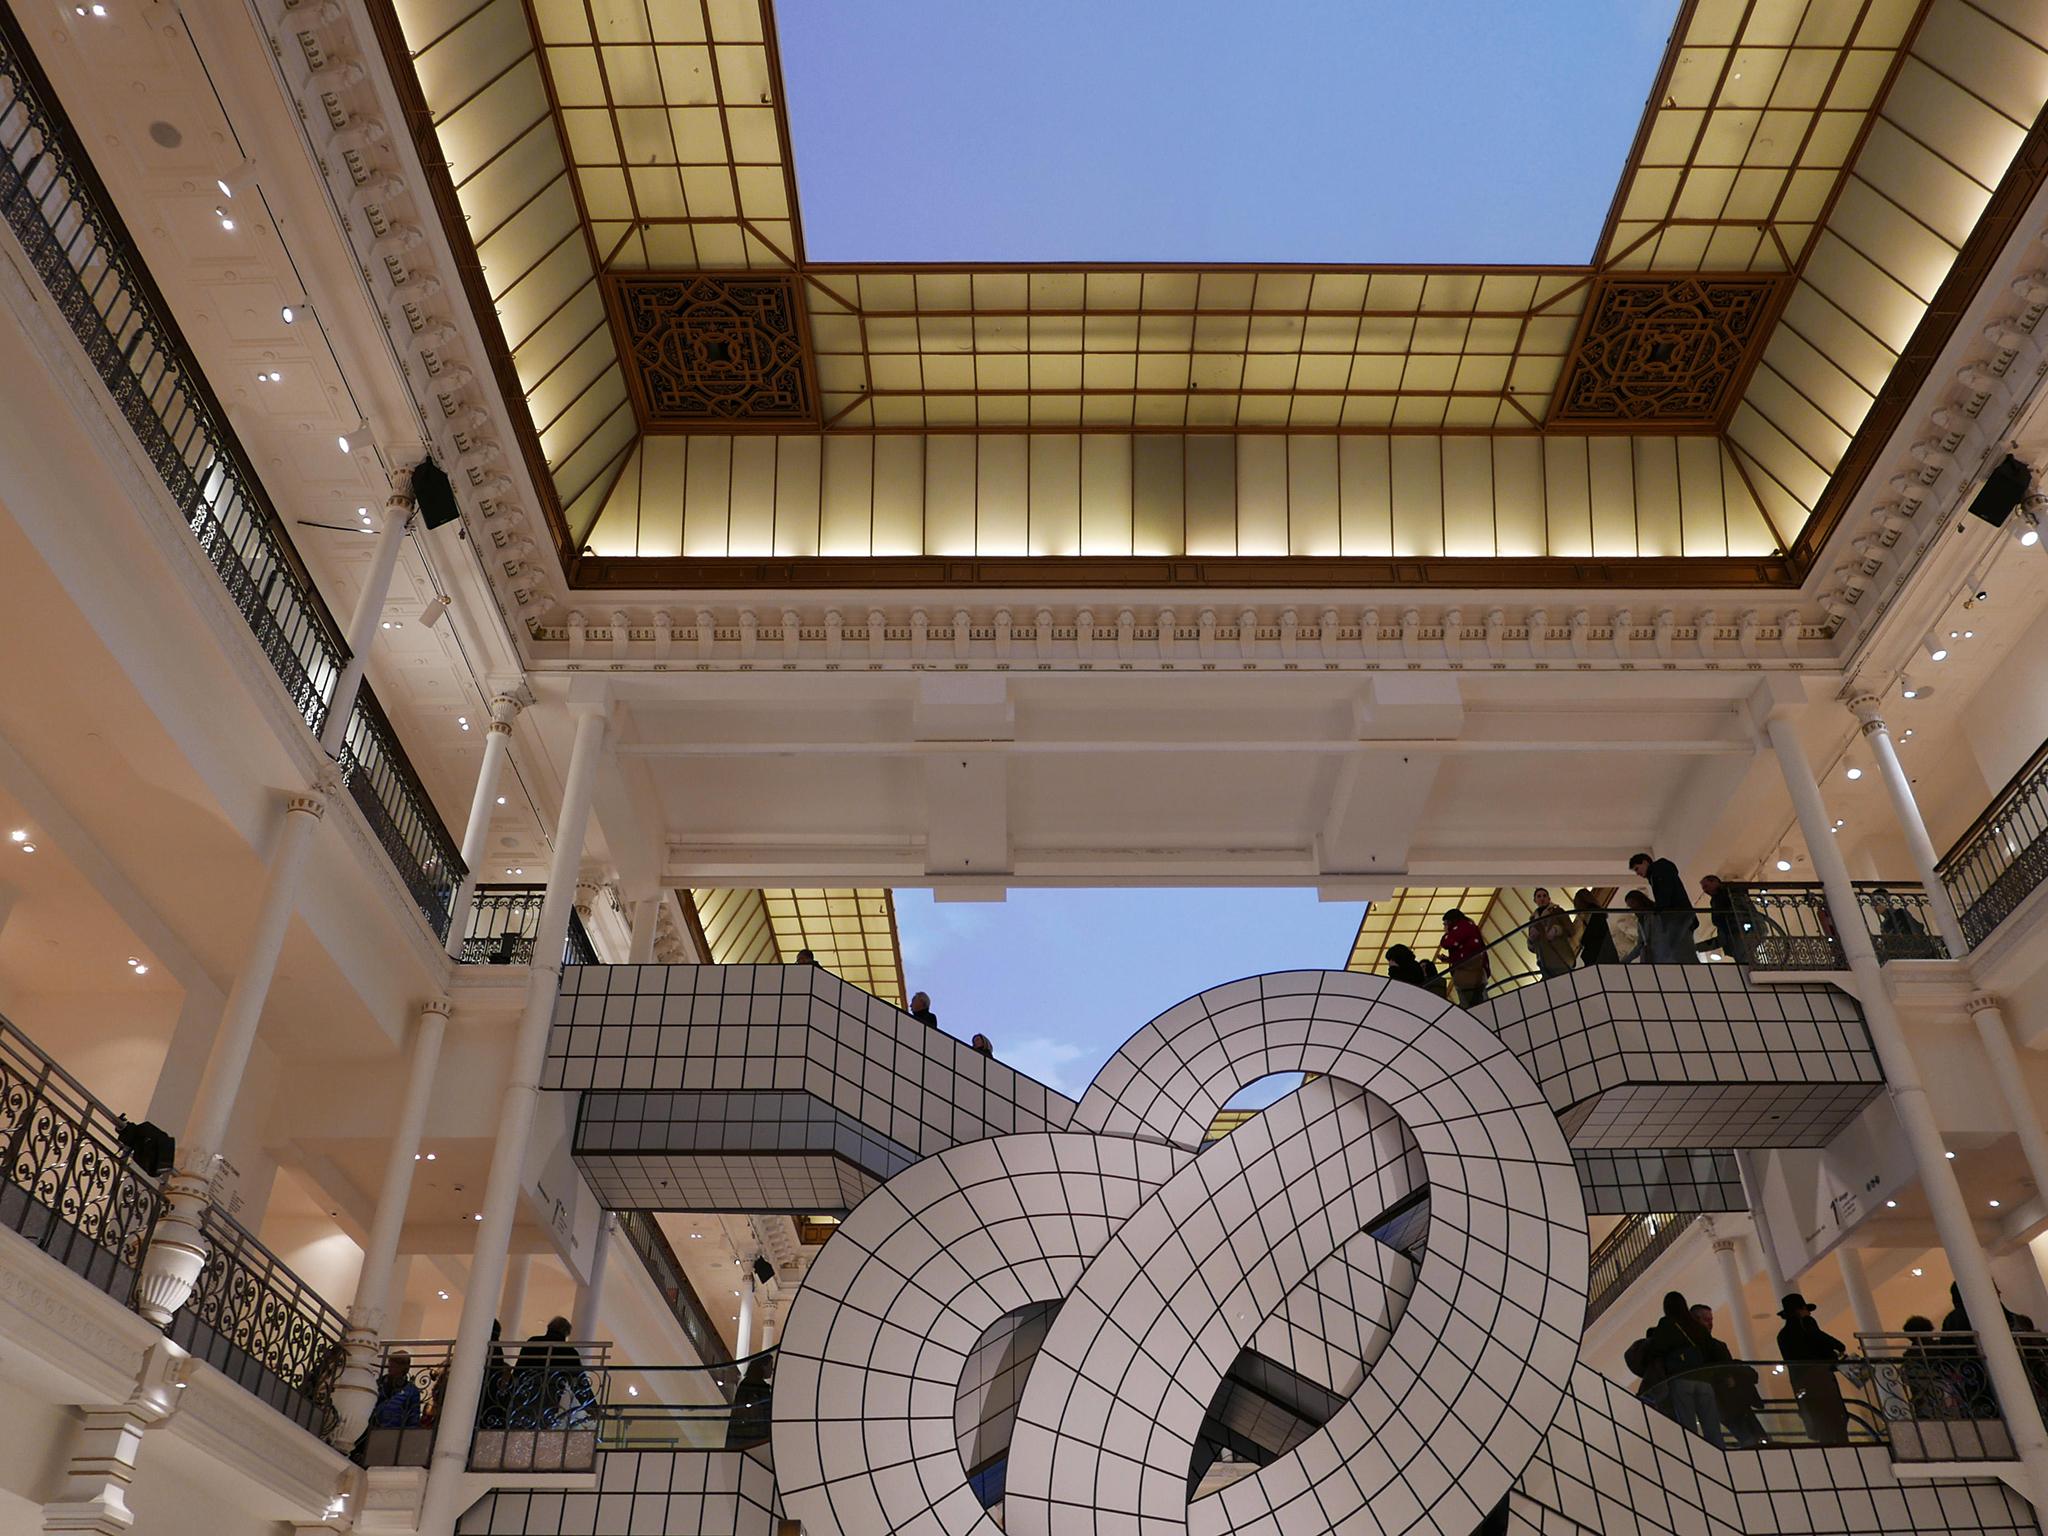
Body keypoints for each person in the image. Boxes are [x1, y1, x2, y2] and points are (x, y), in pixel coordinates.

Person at [1646, 1291, 1722, 1444]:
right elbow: (1710, 1348)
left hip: (1680, 1378)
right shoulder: (1696, 1326)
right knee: (1711, 1424)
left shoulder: (1667, 1323)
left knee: (1687, 1424)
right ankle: (1718, 1450)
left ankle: (1695, 1453)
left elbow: (1657, 1347)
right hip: (1704, 1378)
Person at [1778, 1293, 1849, 1443]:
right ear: (1801, 1310)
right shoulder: (1807, 1324)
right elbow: (1820, 1339)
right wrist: (1839, 1347)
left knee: (1821, 1421)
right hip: (1820, 1379)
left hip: (1802, 1385)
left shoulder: (1783, 1336)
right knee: (1835, 1418)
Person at [1693, 1303, 1764, 1447]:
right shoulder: (1709, 1346)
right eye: (1706, 1319)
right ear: (1696, 1320)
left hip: (1728, 1401)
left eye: (1710, 1319)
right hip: (1727, 1401)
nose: (1710, 1323)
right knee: (1753, 1438)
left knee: (1752, 1438)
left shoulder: (1707, 1346)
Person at [1630, 851, 1697, 962]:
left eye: (1637, 868)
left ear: (1645, 862)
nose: (1637, 873)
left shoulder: (1658, 870)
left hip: (1677, 916)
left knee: (1682, 952)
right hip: (1679, 916)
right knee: (1682, 951)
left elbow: (1665, 893)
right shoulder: (1658, 871)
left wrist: (1660, 908)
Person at [1699, 875, 1759, 964]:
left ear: (1714, 882)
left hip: (1739, 930)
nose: (1705, 890)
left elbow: (1740, 910)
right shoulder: (1721, 897)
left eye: (1706, 886)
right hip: (1736, 931)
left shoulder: (1729, 893)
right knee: (1745, 958)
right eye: (1704, 888)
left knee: (1744, 958)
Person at [1437, 908, 1488, 1007]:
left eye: (1445, 924)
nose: (1444, 928)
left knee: (1472, 1006)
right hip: (1475, 975)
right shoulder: (1469, 927)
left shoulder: (1462, 928)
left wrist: (1447, 935)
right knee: (1480, 1004)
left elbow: (1447, 942)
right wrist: (1448, 959)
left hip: (1468, 978)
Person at [1526, 888, 1578, 980]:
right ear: (1535, 900)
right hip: (1544, 963)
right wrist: (1531, 939)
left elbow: (1571, 929)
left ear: (1549, 899)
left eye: (1544, 896)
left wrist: (1556, 930)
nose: (1542, 898)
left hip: (1560, 958)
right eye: (1539, 896)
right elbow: (1532, 948)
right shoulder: (1532, 920)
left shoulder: (1557, 911)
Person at [369, 1349, 423, 1429]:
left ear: (404, 1369)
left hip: (394, 1433)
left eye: (395, 1366)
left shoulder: (412, 1391)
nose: (390, 1368)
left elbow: (413, 1419)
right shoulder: (379, 1384)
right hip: (371, 1429)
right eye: (390, 1365)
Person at [1574, 888, 1619, 966]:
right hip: (1603, 950)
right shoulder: (1595, 912)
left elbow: (1594, 932)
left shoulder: (1594, 913)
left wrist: (1583, 940)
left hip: (1600, 952)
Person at [1617, 890, 1655, 963]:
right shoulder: (1640, 922)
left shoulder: (1654, 916)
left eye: (1633, 903)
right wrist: (1625, 961)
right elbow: (1640, 944)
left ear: (1640, 901)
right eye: (1630, 906)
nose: (1632, 908)